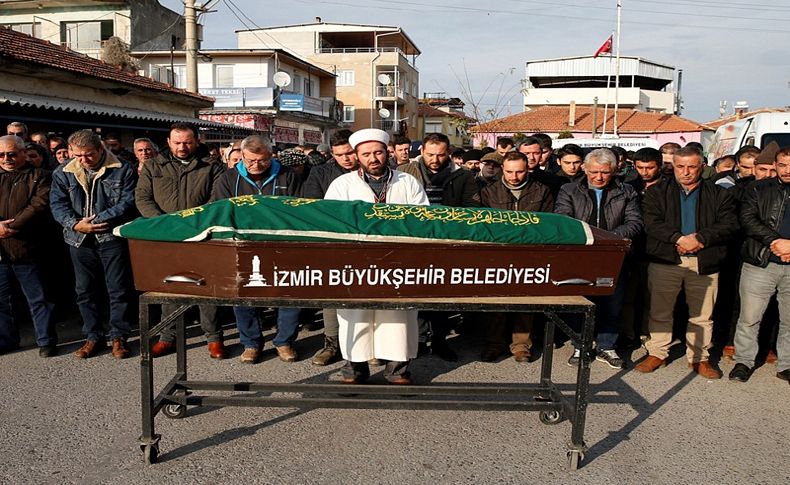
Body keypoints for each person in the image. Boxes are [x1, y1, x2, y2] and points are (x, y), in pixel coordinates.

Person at [324, 128, 429, 384]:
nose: (374, 159)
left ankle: (398, 370)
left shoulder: (407, 182)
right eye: (367, 154)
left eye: (378, 153)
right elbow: (330, 221)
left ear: (388, 153)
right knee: (354, 316)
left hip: (398, 260)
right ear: (357, 156)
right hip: (356, 262)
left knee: (398, 317)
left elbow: (422, 218)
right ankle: (354, 370)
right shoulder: (342, 185)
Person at [636, 146, 738, 378]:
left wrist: (700, 239)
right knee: (660, 311)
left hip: (703, 261)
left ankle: (699, 358)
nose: (686, 172)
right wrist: (679, 238)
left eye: (692, 166)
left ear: (702, 166)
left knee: (702, 315)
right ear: (672, 167)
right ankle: (657, 353)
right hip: (665, 259)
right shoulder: (656, 192)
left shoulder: (719, 194)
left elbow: (729, 224)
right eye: (680, 167)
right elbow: (651, 223)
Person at [135, 123, 226, 359]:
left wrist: (195, 225)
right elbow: (143, 198)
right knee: (171, 286)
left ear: (196, 141)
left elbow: (216, 201)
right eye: (177, 142)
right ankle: (168, 337)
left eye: (187, 142)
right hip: (167, 237)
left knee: (205, 288)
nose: (182, 147)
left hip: (202, 235)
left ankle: (214, 338)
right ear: (168, 142)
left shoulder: (212, 166)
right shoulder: (154, 165)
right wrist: (165, 225)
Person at [211, 136, 303, 364]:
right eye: (250, 160)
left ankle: (284, 341)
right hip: (243, 245)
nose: (256, 165)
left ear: (271, 156)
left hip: (282, 244)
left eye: (262, 160)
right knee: (243, 295)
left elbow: (301, 208)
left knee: (288, 292)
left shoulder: (288, 176)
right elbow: (220, 210)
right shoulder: (228, 178)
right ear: (242, 156)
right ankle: (251, 343)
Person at [49, 130, 138, 359]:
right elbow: (57, 204)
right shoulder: (63, 172)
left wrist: (95, 221)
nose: (82, 160)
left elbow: (127, 202)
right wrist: (74, 224)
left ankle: (118, 336)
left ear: (100, 149)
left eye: (88, 155)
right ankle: (93, 335)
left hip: (110, 237)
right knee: (85, 290)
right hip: (78, 240)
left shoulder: (123, 169)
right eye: (77, 155)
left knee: (117, 289)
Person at [555, 148, 643, 368]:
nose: (599, 177)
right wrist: (587, 238)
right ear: (585, 168)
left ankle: (606, 346)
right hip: (580, 255)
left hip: (613, 255)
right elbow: (563, 219)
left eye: (604, 172)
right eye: (594, 171)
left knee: (612, 303)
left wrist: (607, 239)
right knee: (581, 301)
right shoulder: (569, 190)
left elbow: (634, 223)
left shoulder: (627, 191)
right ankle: (580, 344)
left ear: (614, 170)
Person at [400, 133, 479, 360]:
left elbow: (470, 208)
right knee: (415, 293)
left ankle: (440, 340)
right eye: (430, 154)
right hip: (414, 241)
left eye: (440, 155)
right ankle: (419, 338)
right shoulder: (405, 172)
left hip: (446, 242)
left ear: (449, 154)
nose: (435, 159)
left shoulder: (463, 176)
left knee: (442, 294)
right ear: (422, 151)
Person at [479, 151, 553, 362]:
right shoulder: (489, 192)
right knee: (496, 302)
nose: (514, 176)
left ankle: (521, 345)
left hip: (530, 253)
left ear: (527, 169)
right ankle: (494, 344)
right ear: (503, 169)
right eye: (510, 171)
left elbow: (547, 223)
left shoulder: (542, 191)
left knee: (525, 302)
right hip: (498, 254)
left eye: (519, 172)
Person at [730, 146, 790, 384]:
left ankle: (786, 365)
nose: (787, 170)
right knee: (749, 317)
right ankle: (743, 362)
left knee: (789, 319)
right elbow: (747, 219)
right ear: (775, 165)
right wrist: (776, 241)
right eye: (782, 165)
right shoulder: (758, 188)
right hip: (760, 262)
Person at [302, 130, 359, 366]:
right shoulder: (320, 173)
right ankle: (332, 343)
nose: (345, 159)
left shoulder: (373, 171)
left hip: (365, 242)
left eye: (349, 153)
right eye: (339, 155)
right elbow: (312, 207)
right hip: (333, 240)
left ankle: (367, 347)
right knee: (332, 295)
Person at [0, 135, 57, 357]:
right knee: (2, 301)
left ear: (24, 153)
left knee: (39, 299)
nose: (7, 158)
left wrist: (10, 227)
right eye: (2, 154)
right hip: (1, 251)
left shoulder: (41, 176)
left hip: (28, 248)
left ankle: (46, 340)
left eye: (12, 153)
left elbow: (38, 205)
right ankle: (6, 340)